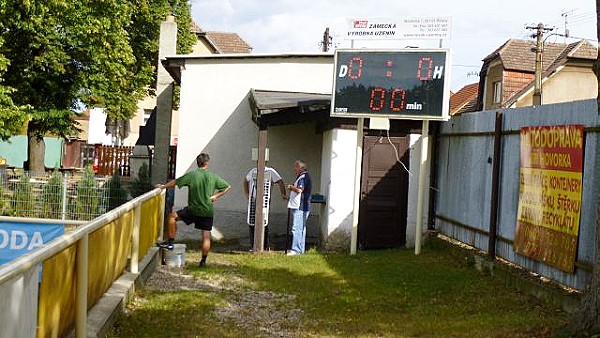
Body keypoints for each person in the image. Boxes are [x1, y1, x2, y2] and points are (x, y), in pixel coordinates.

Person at [156, 153, 231, 267]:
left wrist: (163, 187)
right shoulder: (213, 176)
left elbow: (175, 182)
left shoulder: (192, 175)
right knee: (206, 236)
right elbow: (227, 186)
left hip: (193, 210)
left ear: (197, 163)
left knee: (172, 217)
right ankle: (203, 261)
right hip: (207, 211)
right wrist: (216, 196)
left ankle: (170, 243)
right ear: (207, 163)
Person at [243, 165, 287, 251]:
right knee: (252, 221)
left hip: (264, 200)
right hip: (253, 200)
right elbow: (245, 180)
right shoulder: (253, 170)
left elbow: (280, 181)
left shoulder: (270, 171)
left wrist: (283, 194)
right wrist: (247, 194)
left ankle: (264, 245)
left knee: (264, 222)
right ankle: (253, 246)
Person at [286, 160, 312, 255]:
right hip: (300, 206)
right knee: (301, 228)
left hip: (300, 207)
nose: (294, 168)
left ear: (301, 168)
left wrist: (290, 187)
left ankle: (296, 250)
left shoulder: (303, 176)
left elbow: (299, 190)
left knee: (296, 228)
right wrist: (289, 198)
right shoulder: (301, 177)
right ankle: (300, 250)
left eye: (296, 166)